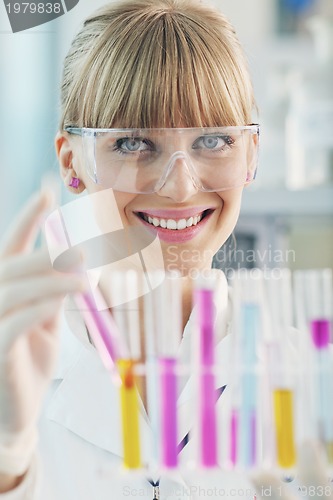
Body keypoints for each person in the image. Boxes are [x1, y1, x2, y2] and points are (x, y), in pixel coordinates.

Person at [0, 1, 330, 499]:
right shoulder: (14, 374)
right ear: (72, 162)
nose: (179, 187)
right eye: (134, 144)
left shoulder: (310, 380)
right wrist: (9, 464)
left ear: (251, 157)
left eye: (214, 140)